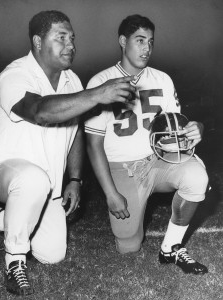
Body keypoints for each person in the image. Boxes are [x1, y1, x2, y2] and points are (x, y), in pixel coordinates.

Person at [0, 10, 136, 296]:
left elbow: (74, 130)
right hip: (0, 170)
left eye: (72, 38)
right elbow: (41, 111)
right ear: (38, 41)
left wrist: (75, 179)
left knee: (53, 254)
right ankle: (14, 263)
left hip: (46, 184)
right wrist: (97, 94)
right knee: (32, 180)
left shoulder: (71, 81)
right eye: (60, 37)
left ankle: (0, 217)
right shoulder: (14, 75)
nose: (71, 45)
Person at [85, 14, 209, 275]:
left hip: (159, 160)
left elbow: (176, 129)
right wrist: (110, 193)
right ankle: (131, 223)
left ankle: (170, 248)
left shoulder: (162, 79)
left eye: (150, 42)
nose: (146, 48)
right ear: (122, 41)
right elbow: (93, 145)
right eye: (139, 40)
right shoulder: (100, 82)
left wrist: (197, 128)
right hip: (123, 168)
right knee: (128, 246)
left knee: (197, 176)